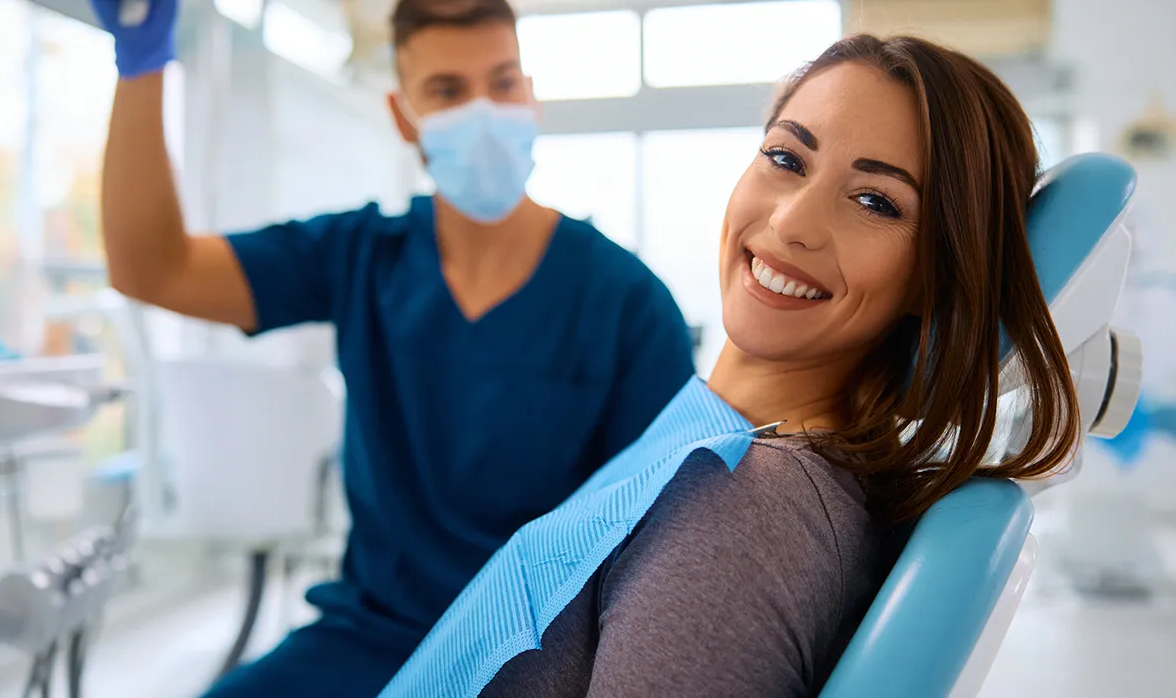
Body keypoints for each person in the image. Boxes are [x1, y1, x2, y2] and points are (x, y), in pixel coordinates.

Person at [381, 34, 1082, 698]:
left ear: (936, 275)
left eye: (876, 201)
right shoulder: (718, 439)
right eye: (786, 158)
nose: (790, 224)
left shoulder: (749, 509)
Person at [87, 0, 695, 695]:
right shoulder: (361, 257)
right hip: (370, 639)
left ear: (530, 96)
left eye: (502, 83)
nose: (483, 111)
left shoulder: (627, 301)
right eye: (447, 91)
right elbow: (151, 267)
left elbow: (664, 550)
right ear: (404, 117)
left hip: (538, 655)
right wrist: (141, 65)